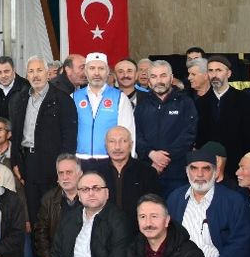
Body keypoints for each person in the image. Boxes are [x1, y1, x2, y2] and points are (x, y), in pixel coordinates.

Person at [11, 56, 78, 219]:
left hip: (52, 163)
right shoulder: (20, 99)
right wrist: (15, 161)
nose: (35, 75)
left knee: (54, 212)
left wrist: (64, 166)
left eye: (39, 70)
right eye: (31, 71)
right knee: (33, 211)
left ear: (48, 73)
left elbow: (69, 136)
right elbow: (16, 133)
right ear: (26, 76)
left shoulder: (62, 99)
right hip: (28, 162)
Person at [135, 59, 200, 197]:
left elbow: (189, 135)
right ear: (149, 81)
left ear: (171, 78)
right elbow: (136, 134)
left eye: (163, 75)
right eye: (154, 76)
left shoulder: (186, 103)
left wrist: (163, 159)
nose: (159, 80)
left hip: (177, 173)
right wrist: (151, 154)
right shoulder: (141, 105)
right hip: (148, 170)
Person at [73, 53, 135, 163]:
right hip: (79, 160)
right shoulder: (73, 97)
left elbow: (129, 133)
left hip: (110, 160)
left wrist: (129, 162)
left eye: (101, 68)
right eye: (92, 68)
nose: (96, 73)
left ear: (107, 72)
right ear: (86, 72)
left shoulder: (120, 98)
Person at [90, 126, 160, 221]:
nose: (117, 147)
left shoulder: (147, 172)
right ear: (106, 145)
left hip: (136, 228)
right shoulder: (95, 173)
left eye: (123, 141)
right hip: (102, 227)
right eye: (112, 141)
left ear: (131, 145)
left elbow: (154, 207)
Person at [34, 155, 82, 257]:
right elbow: (40, 231)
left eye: (69, 172)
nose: (65, 177)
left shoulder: (90, 197)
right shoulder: (49, 199)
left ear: (80, 174)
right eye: (61, 173)